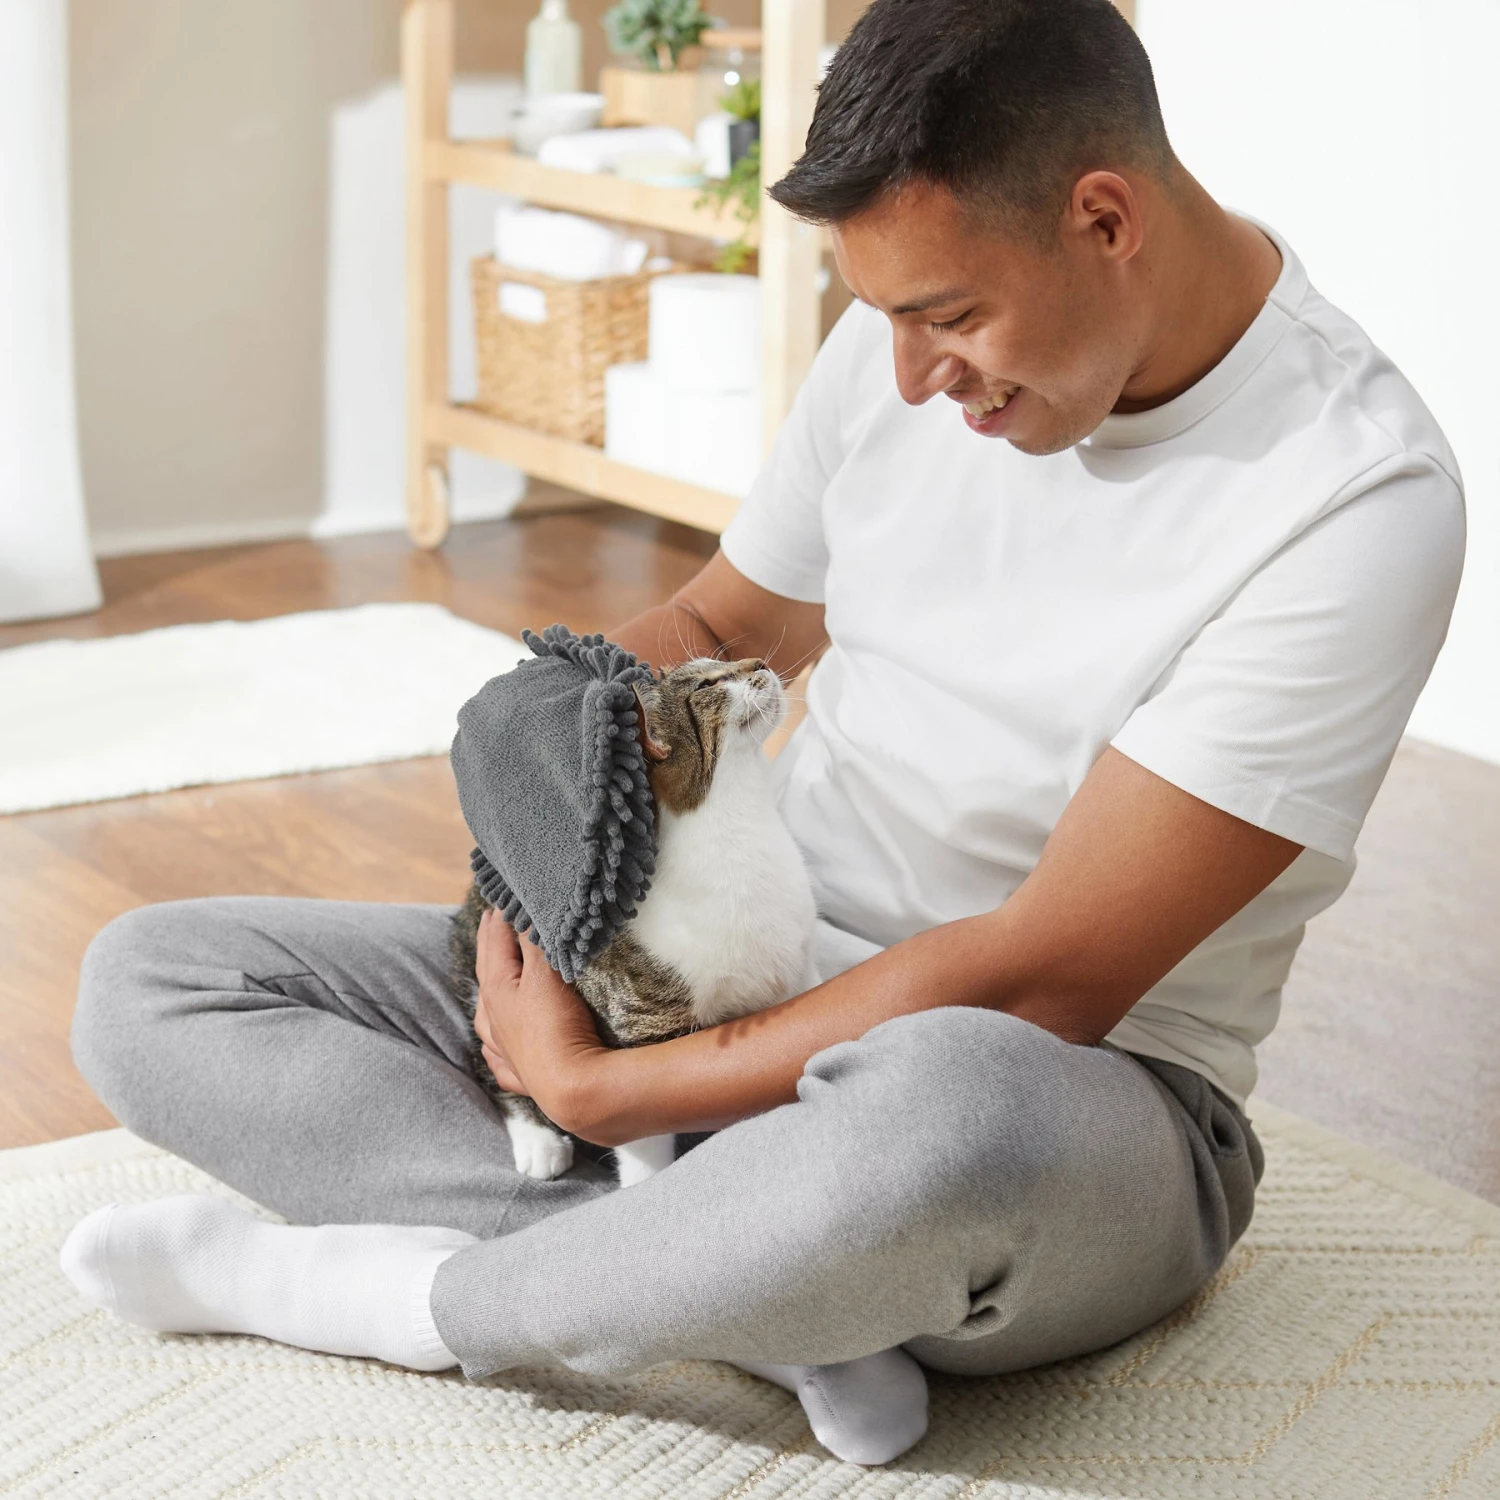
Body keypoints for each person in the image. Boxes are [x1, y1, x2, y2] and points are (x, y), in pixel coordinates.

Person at [59, 0, 1464, 1468]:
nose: (912, 376)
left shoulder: (1355, 497)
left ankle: (419, 1301)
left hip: (1058, 1093)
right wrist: (545, 815)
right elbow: (722, 624)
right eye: (887, 317)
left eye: (948, 318)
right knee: (158, 983)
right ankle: (759, 1288)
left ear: (1103, 219)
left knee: (949, 1119)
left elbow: (1047, 975)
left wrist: (602, 1091)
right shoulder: (899, 343)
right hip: (738, 965)